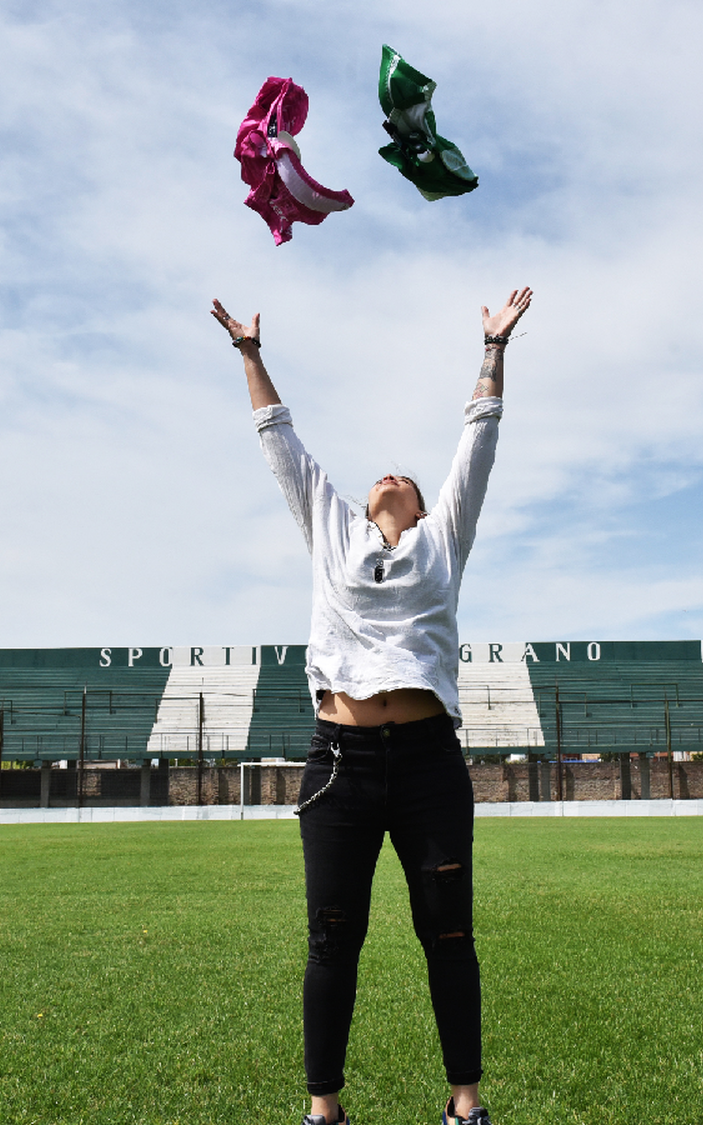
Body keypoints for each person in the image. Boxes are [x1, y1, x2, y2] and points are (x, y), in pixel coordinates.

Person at [210, 288, 532, 1125]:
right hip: (340, 765)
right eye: (378, 477)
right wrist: (250, 352)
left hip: (428, 764)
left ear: (423, 507)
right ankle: (325, 1110)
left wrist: (492, 350)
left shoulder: (441, 541)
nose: (388, 475)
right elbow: (282, 445)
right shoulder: (333, 533)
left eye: (405, 478)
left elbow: (478, 446)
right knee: (333, 939)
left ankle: (465, 1105)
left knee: (448, 936)